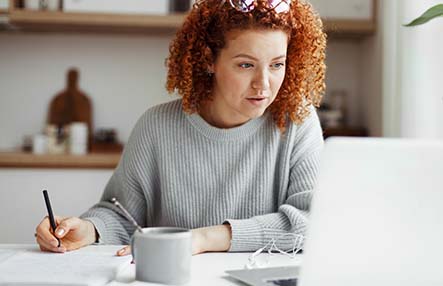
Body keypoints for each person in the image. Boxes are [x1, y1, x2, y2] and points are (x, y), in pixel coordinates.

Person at [35, 0, 326, 256]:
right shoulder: (157, 127)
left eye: (277, 65)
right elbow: (121, 214)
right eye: (246, 65)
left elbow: (312, 223)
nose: (263, 84)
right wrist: (89, 229)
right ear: (210, 60)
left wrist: (203, 238)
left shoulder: (298, 121)